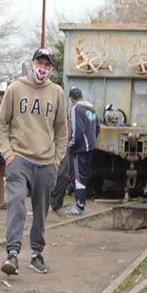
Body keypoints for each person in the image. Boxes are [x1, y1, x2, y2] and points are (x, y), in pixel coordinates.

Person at [0, 48, 68, 275]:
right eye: (39, 63)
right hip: (20, 159)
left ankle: (37, 253)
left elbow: (62, 130)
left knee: (40, 209)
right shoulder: (15, 89)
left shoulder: (57, 93)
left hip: (46, 163)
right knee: (16, 200)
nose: (42, 69)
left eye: (47, 65)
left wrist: (57, 160)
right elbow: (1, 124)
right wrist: (8, 154)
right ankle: (13, 253)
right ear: (31, 63)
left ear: (52, 69)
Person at [65, 87, 100, 215]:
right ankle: (78, 201)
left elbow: (77, 131)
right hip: (90, 147)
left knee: (78, 176)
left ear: (71, 98)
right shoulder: (91, 108)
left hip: (79, 149)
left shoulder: (75, 109)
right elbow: (97, 128)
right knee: (82, 175)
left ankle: (80, 206)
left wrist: (71, 145)